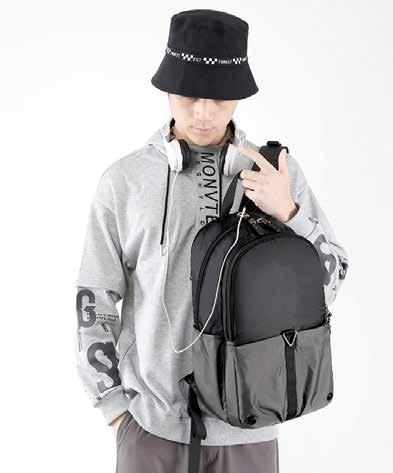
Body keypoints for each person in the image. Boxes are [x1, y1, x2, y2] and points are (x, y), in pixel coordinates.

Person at [74, 9, 349, 473]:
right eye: (189, 95)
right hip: (150, 432)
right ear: (167, 89)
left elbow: (332, 281)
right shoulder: (125, 182)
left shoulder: (275, 172)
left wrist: (289, 213)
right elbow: (95, 297)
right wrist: (114, 409)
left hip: (250, 431)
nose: (203, 112)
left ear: (238, 95)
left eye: (219, 98)